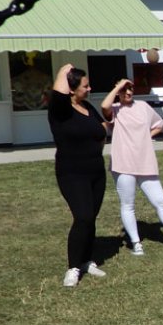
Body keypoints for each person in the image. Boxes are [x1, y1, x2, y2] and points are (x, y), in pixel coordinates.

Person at [100, 79, 163, 255]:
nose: (128, 92)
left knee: (161, 201)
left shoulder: (143, 106)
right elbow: (104, 106)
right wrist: (118, 86)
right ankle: (136, 243)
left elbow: (159, 124)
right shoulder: (115, 109)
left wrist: (145, 137)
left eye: (131, 89)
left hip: (145, 161)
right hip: (123, 163)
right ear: (118, 91)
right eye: (124, 90)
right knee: (128, 204)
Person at [48, 63, 109, 287]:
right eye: (85, 85)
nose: (90, 88)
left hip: (95, 171)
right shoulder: (60, 111)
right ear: (72, 89)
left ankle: (86, 261)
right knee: (82, 216)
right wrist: (63, 71)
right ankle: (73, 267)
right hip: (72, 173)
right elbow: (57, 94)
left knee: (91, 217)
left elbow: (102, 129)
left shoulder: (88, 107)